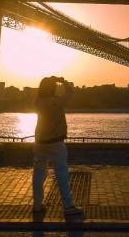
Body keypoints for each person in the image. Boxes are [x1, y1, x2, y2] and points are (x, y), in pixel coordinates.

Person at [32, 76, 83, 216]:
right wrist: (62, 80)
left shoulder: (37, 102)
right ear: (53, 88)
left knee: (38, 174)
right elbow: (71, 90)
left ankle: (37, 205)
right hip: (56, 143)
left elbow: (40, 93)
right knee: (61, 174)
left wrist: (48, 82)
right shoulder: (58, 102)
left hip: (39, 143)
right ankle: (68, 206)